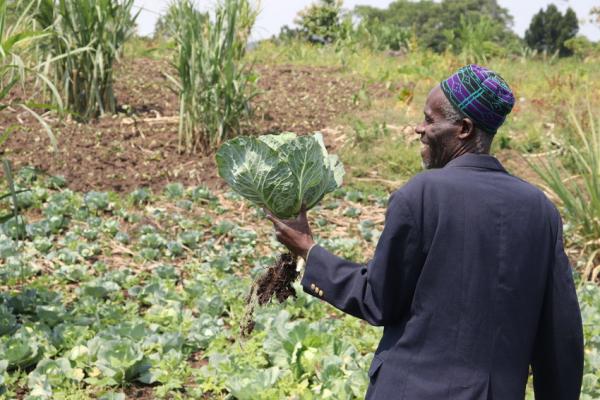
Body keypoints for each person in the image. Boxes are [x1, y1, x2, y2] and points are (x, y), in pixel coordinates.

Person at [265, 64, 584, 400]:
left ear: (464, 128)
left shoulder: (421, 194)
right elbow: (560, 337)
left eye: (431, 120)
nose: (420, 128)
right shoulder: (540, 210)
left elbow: (377, 300)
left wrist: (308, 249)